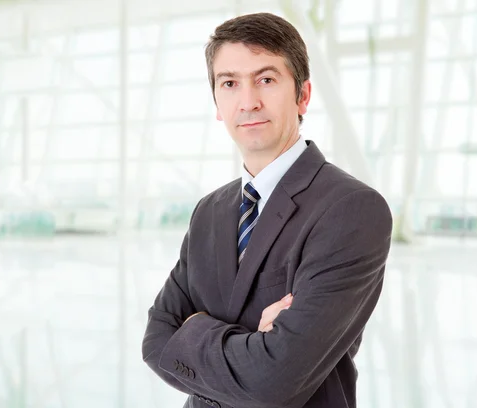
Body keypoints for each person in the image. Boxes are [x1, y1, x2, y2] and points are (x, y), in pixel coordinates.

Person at [142, 12, 392, 408]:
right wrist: (254, 343)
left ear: (303, 95)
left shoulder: (352, 210)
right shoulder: (209, 211)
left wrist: (193, 329)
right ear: (217, 105)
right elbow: (156, 339)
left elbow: (274, 382)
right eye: (229, 83)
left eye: (266, 79)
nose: (248, 102)